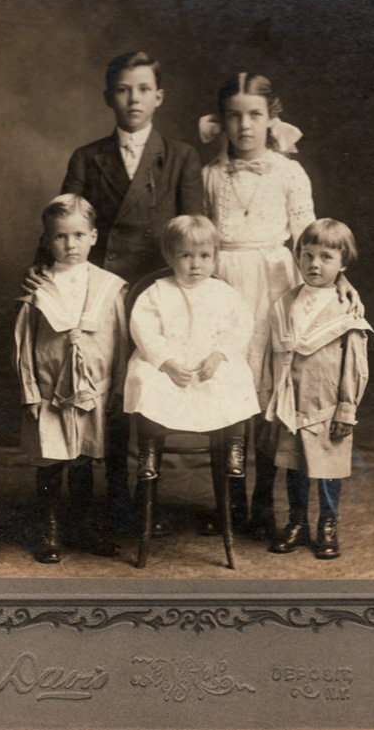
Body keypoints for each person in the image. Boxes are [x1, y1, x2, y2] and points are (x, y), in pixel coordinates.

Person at [26, 51, 204, 529]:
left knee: (144, 395)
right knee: (98, 395)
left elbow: (196, 235)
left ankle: (135, 505)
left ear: (159, 97)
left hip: (155, 292)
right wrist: (42, 266)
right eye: (124, 89)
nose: (134, 98)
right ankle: (97, 507)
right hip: (99, 296)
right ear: (110, 96)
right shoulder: (88, 156)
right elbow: (63, 216)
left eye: (143, 89)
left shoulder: (182, 156)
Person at [199, 72, 361, 539]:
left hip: (276, 286)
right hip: (225, 285)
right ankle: (228, 503)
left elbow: (313, 238)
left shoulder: (290, 172)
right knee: (227, 397)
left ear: (272, 119)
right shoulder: (209, 175)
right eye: (234, 116)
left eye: (255, 115)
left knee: (273, 397)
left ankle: (264, 502)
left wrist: (342, 278)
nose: (244, 126)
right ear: (222, 120)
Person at [124, 215, 260, 547]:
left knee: (237, 381)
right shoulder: (156, 292)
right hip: (170, 365)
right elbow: (143, 330)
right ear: (170, 256)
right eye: (186, 256)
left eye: (204, 256)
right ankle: (150, 453)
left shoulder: (224, 293)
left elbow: (240, 328)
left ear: (215, 257)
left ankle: (234, 448)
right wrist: (166, 362)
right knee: (145, 381)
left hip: (207, 365)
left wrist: (219, 355)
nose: (195, 265)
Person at [14, 194, 128, 563]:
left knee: (82, 460)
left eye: (79, 235)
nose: (70, 244)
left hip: (92, 391)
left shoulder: (111, 287)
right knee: (50, 460)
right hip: (49, 392)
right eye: (61, 237)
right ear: (48, 241)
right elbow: (24, 344)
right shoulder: (38, 287)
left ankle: (82, 526)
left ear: (94, 236)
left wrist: (118, 388)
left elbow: (122, 342)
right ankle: (48, 530)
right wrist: (31, 393)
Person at [259, 219, 374, 559]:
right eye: (307, 255)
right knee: (294, 466)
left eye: (326, 257)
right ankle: (297, 522)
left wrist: (346, 408)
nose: (314, 264)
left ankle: (328, 524)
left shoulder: (347, 307)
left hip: (326, 403)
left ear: (343, 264)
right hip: (290, 402)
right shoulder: (285, 302)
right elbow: (273, 353)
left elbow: (355, 364)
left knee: (327, 469)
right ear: (297, 257)